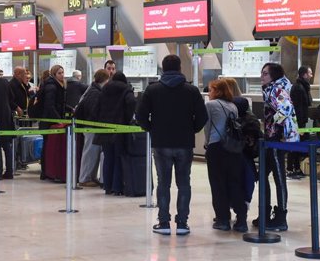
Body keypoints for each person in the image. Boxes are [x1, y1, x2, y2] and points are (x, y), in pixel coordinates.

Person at [136, 54, 208, 236]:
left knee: (163, 183)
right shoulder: (191, 91)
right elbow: (202, 117)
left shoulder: (152, 90)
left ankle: (164, 222)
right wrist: (192, 129)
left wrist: (152, 128)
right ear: (180, 68)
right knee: (184, 183)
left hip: (161, 142)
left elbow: (140, 116)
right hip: (184, 142)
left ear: (163, 68)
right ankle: (182, 223)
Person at [257, 62, 299, 232]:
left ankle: (281, 217)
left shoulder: (276, 90)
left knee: (279, 179)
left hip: (276, 140)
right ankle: (265, 214)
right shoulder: (271, 89)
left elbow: (286, 108)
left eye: (265, 73)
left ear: (273, 75)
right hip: (270, 139)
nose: (262, 76)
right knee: (264, 176)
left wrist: (274, 124)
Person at [204, 79, 247, 233]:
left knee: (218, 184)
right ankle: (241, 219)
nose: (209, 93)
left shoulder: (210, 105)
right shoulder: (233, 106)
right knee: (234, 182)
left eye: (210, 90)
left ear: (217, 90)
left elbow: (208, 127)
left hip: (216, 147)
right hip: (233, 149)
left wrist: (206, 143)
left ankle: (222, 219)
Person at [93, 71, 136, 196]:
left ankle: (107, 186)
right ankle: (117, 188)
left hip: (105, 129)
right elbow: (132, 102)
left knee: (108, 158)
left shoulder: (105, 89)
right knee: (119, 157)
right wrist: (127, 118)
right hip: (120, 128)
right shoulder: (126, 89)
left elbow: (96, 108)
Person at [225, 77, 256, 223]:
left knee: (229, 181)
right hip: (246, 153)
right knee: (246, 180)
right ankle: (242, 212)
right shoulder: (246, 107)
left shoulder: (227, 107)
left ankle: (227, 211)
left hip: (231, 151)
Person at [74, 69, 109, 187]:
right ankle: (84, 178)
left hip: (91, 126)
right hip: (91, 126)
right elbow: (93, 111)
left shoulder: (92, 90)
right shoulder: (95, 93)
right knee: (90, 153)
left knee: (93, 152)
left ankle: (91, 177)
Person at [38, 65, 67, 180]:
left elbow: (60, 103)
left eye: (63, 72)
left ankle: (47, 171)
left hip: (51, 120)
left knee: (49, 146)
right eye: (59, 73)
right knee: (47, 147)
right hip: (49, 121)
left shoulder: (58, 85)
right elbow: (50, 105)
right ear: (54, 74)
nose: (62, 75)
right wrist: (58, 119)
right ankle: (45, 171)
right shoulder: (52, 86)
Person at [287, 66, 313, 179]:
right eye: (310, 73)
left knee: (297, 145)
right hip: (297, 122)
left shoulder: (302, 87)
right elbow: (298, 107)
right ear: (304, 75)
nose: (311, 76)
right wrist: (300, 124)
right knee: (294, 145)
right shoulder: (299, 88)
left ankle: (296, 168)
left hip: (301, 121)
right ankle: (291, 168)